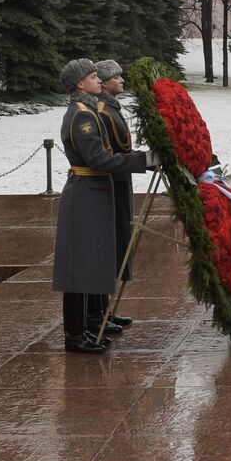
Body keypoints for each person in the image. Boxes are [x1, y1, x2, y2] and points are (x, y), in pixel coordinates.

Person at [53, 58, 149, 355]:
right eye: (93, 77)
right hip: (86, 193)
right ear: (80, 84)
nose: (99, 80)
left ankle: (86, 327)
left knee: (90, 263)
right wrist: (141, 161)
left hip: (94, 191)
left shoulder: (89, 110)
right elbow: (98, 159)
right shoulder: (82, 115)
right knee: (78, 267)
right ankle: (75, 336)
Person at [95, 60, 137, 331]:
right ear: (105, 82)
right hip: (111, 181)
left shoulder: (111, 107)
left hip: (120, 179)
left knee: (118, 242)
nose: (121, 80)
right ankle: (99, 312)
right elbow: (110, 151)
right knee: (108, 246)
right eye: (116, 77)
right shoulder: (102, 110)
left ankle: (105, 310)